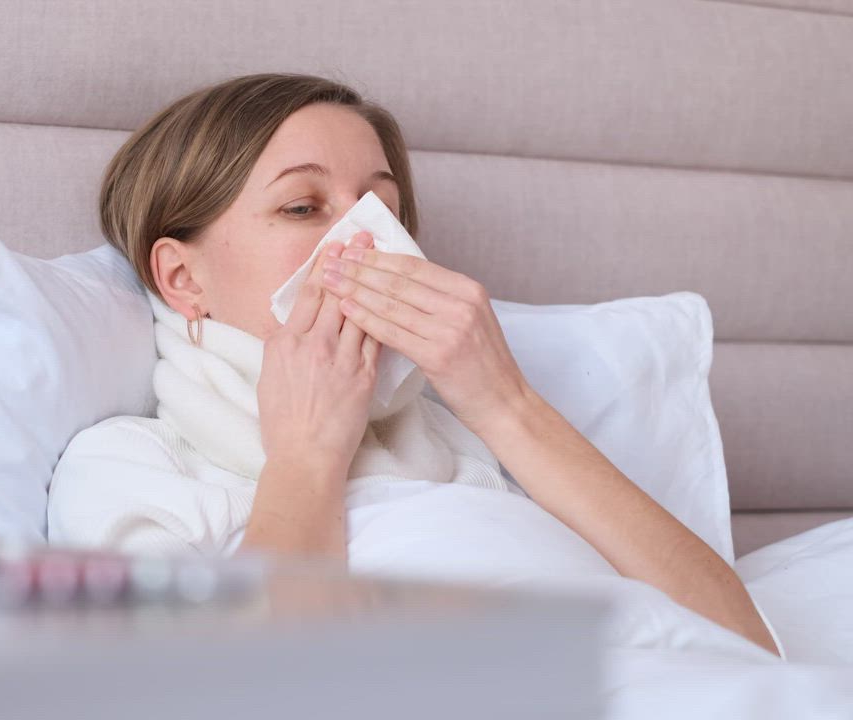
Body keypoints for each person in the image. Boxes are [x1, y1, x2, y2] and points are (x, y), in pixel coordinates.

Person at [46, 73, 778, 656]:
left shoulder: (455, 444)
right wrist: (306, 456)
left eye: (382, 209)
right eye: (302, 207)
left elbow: (742, 644)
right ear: (182, 278)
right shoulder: (130, 466)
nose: (363, 239)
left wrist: (506, 404)